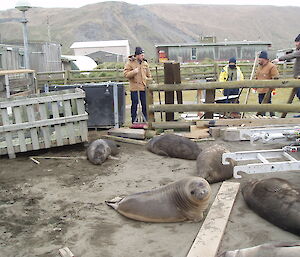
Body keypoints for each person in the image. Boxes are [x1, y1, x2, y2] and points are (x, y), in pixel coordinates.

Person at [273, 34, 300, 116]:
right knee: (298, 94)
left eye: (297, 42)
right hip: (297, 79)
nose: (296, 44)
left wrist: (279, 59)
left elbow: (292, 55)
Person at [124, 47, 151, 123]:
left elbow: (149, 75)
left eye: (143, 55)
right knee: (134, 104)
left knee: (145, 104)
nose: (143, 57)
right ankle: (134, 120)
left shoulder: (145, 64)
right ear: (137, 55)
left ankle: (145, 119)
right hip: (134, 88)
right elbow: (126, 74)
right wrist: (134, 72)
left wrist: (149, 82)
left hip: (144, 87)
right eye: (141, 55)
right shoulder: (130, 63)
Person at [255, 51, 279, 117]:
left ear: (264, 59)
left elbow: (275, 77)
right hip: (260, 89)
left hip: (267, 89)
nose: (259, 60)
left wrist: (272, 86)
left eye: (260, 59)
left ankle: (272, 115)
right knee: (261, 102)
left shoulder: (271, 66)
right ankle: (262, 115)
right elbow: (257, 76)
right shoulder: (259, 67)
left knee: (268, 102)